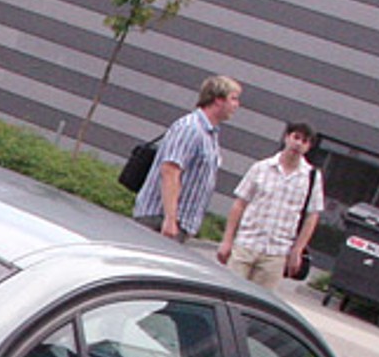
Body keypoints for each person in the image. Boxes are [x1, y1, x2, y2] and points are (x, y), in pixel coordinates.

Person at [132, 75, 242, 241]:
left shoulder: (209, 134)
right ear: (218, 100)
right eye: (233, 99)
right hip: (159, 220)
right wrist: (170, 219)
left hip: (179, 223)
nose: (237, 105)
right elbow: (170, 170)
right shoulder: (191, 128)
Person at [217, 121, 325, 290]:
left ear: (308, 146)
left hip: (277, 254)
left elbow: (312, 217)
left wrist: (297, 250)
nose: (298, 144)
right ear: (287, 137)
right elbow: (239, 204)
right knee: (229, 292)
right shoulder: (261, 168)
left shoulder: (312, 178)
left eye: (304, 141)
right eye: (296, 137)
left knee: (260, 301)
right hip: (246, 245)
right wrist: (227, 240)